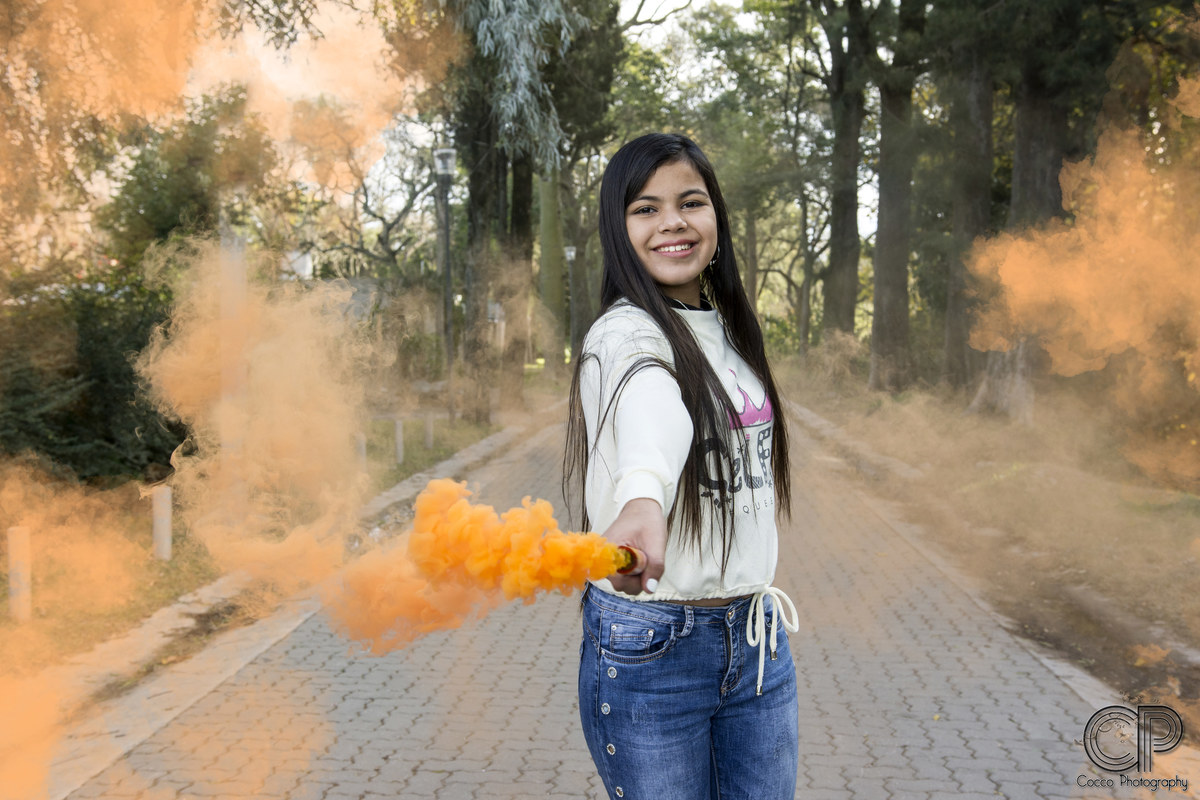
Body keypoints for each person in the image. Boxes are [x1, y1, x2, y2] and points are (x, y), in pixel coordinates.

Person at [564, 132, 799, 800]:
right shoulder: (624, 334)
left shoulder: (728, 334)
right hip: (655, 645)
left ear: (716, 221)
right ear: (619, 230)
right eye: (645, 208)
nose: (673, 222)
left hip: (756, 642)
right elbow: (652, 409)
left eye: (690, 202)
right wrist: (642, 498)